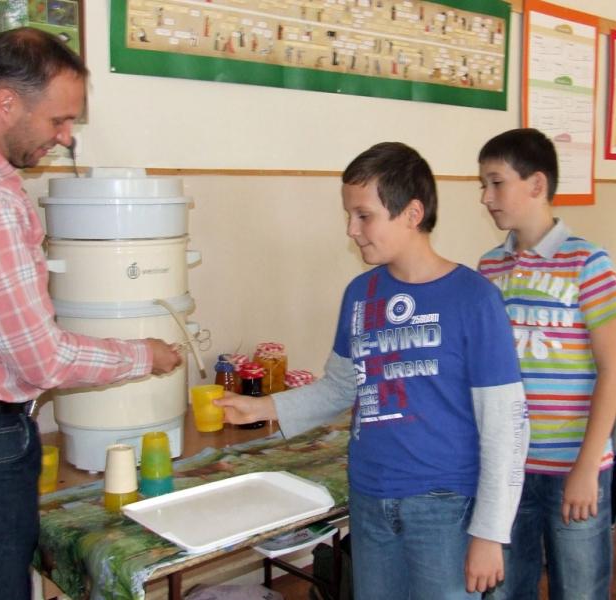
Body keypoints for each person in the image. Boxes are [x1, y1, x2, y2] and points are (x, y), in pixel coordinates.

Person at [217, 141, 529, 599]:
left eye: (364, 215)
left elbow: (506, 423)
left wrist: (489, 533)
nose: (351, 229)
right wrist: (262, 407)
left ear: (412, 213)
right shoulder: (360, 294)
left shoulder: (474, 299)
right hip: (369, 498)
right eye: (349, 215)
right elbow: (342, 387)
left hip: (444, 507)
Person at [0, 27, 182, 600]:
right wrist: (144, 355)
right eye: (58, 120)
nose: (66, 137)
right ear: (5, 102)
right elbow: (41, 358)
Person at [477, 128, 616, 600]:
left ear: (537, 184)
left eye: (496, 183)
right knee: (506, 588)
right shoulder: (489, 268)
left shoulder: (588, 262)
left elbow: (615, 369)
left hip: (574, 465)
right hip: (509, 467)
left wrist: (586, 467)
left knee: (579, 588)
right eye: (482, 185)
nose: (485, 197)